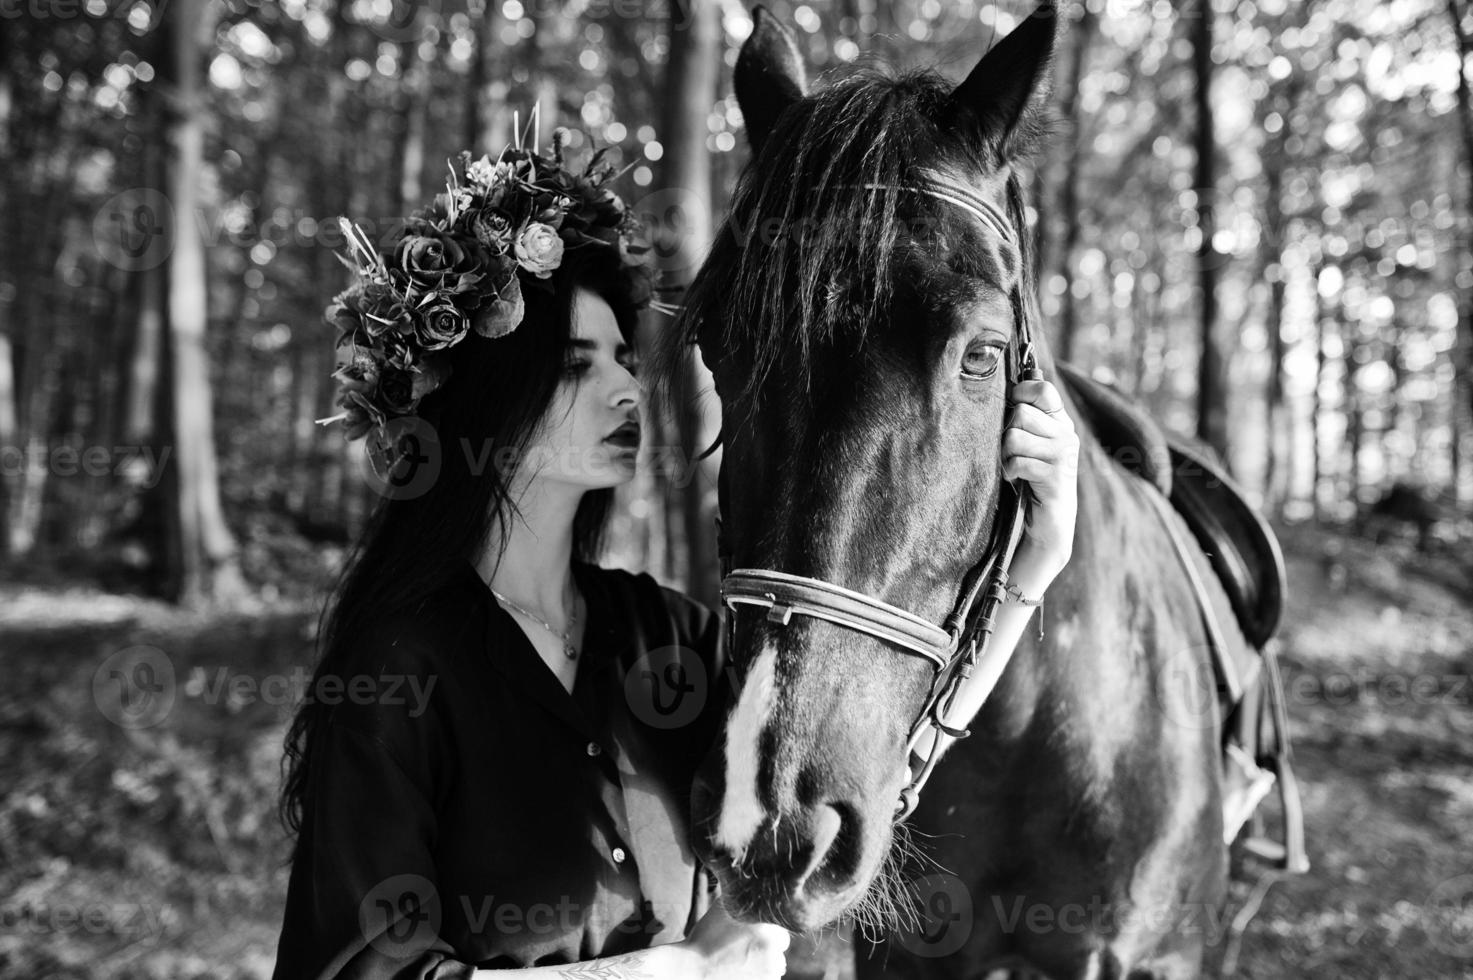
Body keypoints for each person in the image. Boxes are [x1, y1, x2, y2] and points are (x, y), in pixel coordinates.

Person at [271, 133, 1078, 980]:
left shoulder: (663, 636)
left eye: (623, 357)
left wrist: (1031, 569)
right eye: (577, 366)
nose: (626, 388)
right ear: (487, 401)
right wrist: (677, 972)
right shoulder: (398, 670)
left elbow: (874, 763)